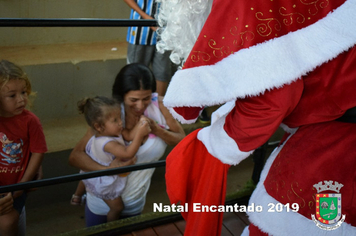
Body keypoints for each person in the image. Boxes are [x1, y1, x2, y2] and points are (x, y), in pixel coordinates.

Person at [157, 0, 356, 235]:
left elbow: (273, 99)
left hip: (337, 140)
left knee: (287, 219)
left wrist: (215, 144)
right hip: (335, 120)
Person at [69, 63, 185, 226]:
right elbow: (75, 157)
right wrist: (107, 170)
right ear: (121, 96)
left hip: (135, 204)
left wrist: (157, 130)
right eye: (133, 100)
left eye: (146, 98)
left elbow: (183, 141)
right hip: (101, 204)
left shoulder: (160, 106)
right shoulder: (109, 115)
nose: (140, 106)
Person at [76, 96, 151, 222]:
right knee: (117, 208)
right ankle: (112, 228)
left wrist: (140, 125)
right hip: (106, 181)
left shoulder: (110, 133)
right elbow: (128, 153)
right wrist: (140, 134)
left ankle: (78, 196)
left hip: (99, 173)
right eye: (115, 120)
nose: (120, 123)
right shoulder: (106, 143)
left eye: (120, 118)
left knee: (86, 178)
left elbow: (129, 136)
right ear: (99, 126)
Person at [0, 60, 47, 236]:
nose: (21, 99)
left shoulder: (30, 121)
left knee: (8, 222)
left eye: (23, 92)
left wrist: (22, 185)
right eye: (12, 95)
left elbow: (38, 152)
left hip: (15, 188)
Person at [124, 0, 172, 96]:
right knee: (135, 72)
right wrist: (145, 17)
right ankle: (135, 105)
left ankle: (157, 106)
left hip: (165, 30)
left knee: (162, 72)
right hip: (140, 30)